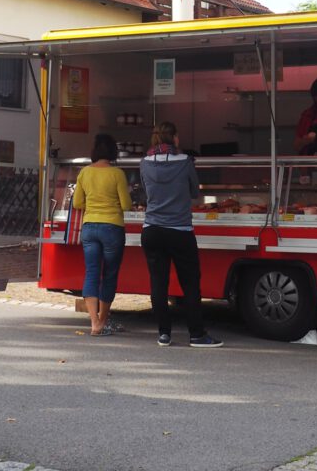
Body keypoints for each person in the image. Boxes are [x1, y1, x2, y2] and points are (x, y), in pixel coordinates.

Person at [139, 121, 223, 348]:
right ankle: (196, 334)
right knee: (190, 284)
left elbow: (146, 193)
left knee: (158, 283)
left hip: (152, 230)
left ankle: (163, 334)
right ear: (173, 138)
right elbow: (195, 192)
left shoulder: (144, 162)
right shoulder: (185, 162)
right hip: (179, 230)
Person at [72, 133, 131, 336]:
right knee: (109, 275)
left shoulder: (84, 173)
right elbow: (126, 204)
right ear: (113, 151)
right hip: (112, 227)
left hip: (89, 227)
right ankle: (103, 320)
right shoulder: (117, 174)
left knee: (92, 273)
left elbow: (77, 203)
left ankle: (94, 322)